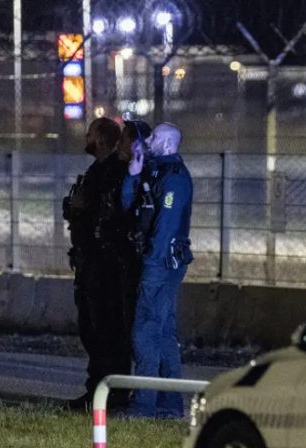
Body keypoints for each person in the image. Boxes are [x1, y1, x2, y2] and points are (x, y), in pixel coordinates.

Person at [121, 122, 194, 419]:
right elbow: (129, 207)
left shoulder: (174, 178)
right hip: (157, 261)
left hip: (161, 264)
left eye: (154, 137)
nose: (148, 141)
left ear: (167, 144)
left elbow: (165, 228)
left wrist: (151, 264)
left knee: (144, 331)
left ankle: (144, 403)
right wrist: (133, 175)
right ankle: (169, 404)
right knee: (162, 332)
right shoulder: (154, 172)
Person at [62, 117, 133, 411]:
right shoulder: (96, 170)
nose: (87, 139)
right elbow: (75, 208)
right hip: (89, 262)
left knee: (107, 331)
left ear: (101, 139)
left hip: (105, 266)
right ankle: (96, 390)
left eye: (90, 134)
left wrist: (83, 207)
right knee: (91, 331)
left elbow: (105, 214)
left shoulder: (114, 172)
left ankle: (110, 393)